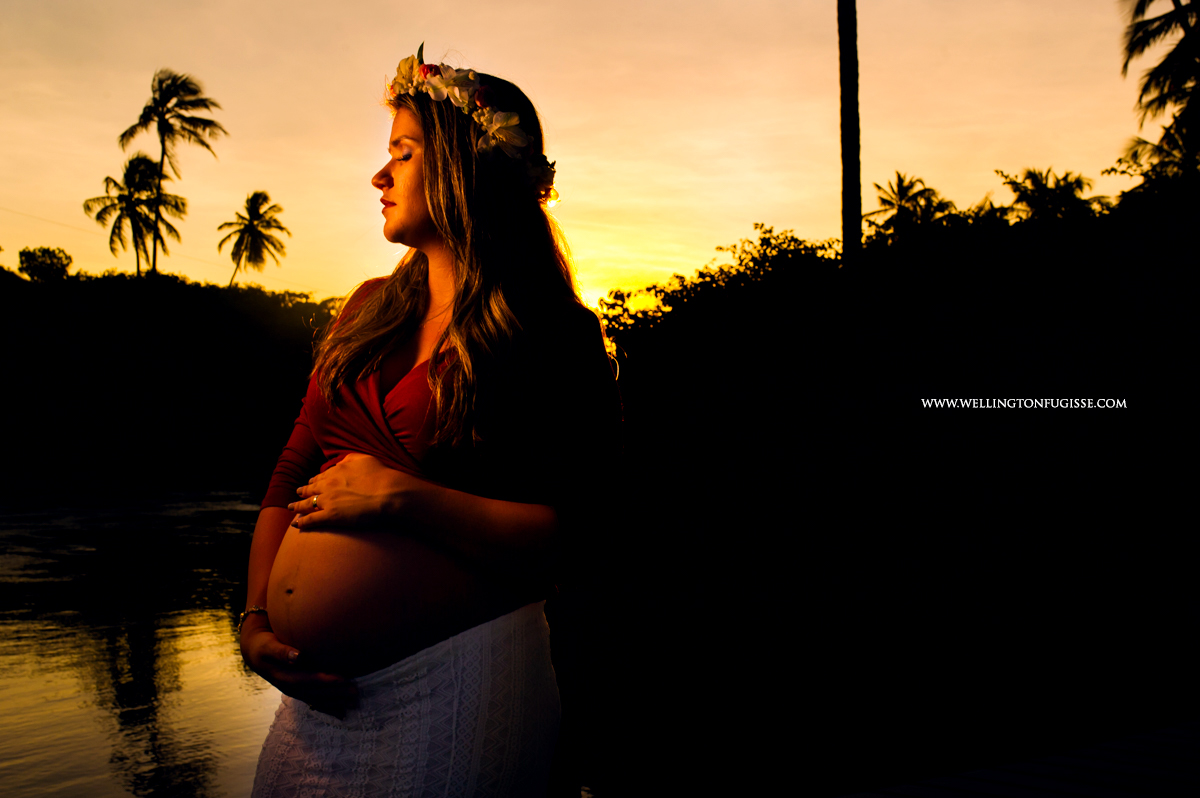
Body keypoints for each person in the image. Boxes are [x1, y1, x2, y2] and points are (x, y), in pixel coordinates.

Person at [239, 45, 621, 797]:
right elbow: (287, 477)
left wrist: (402, 498)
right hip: (314, 706)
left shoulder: (546, 332)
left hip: (456, 683)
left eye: (402, 154)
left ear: (461, 168)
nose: (379, 176)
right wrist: (254, 621)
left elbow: (579, 531)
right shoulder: (365, 311)